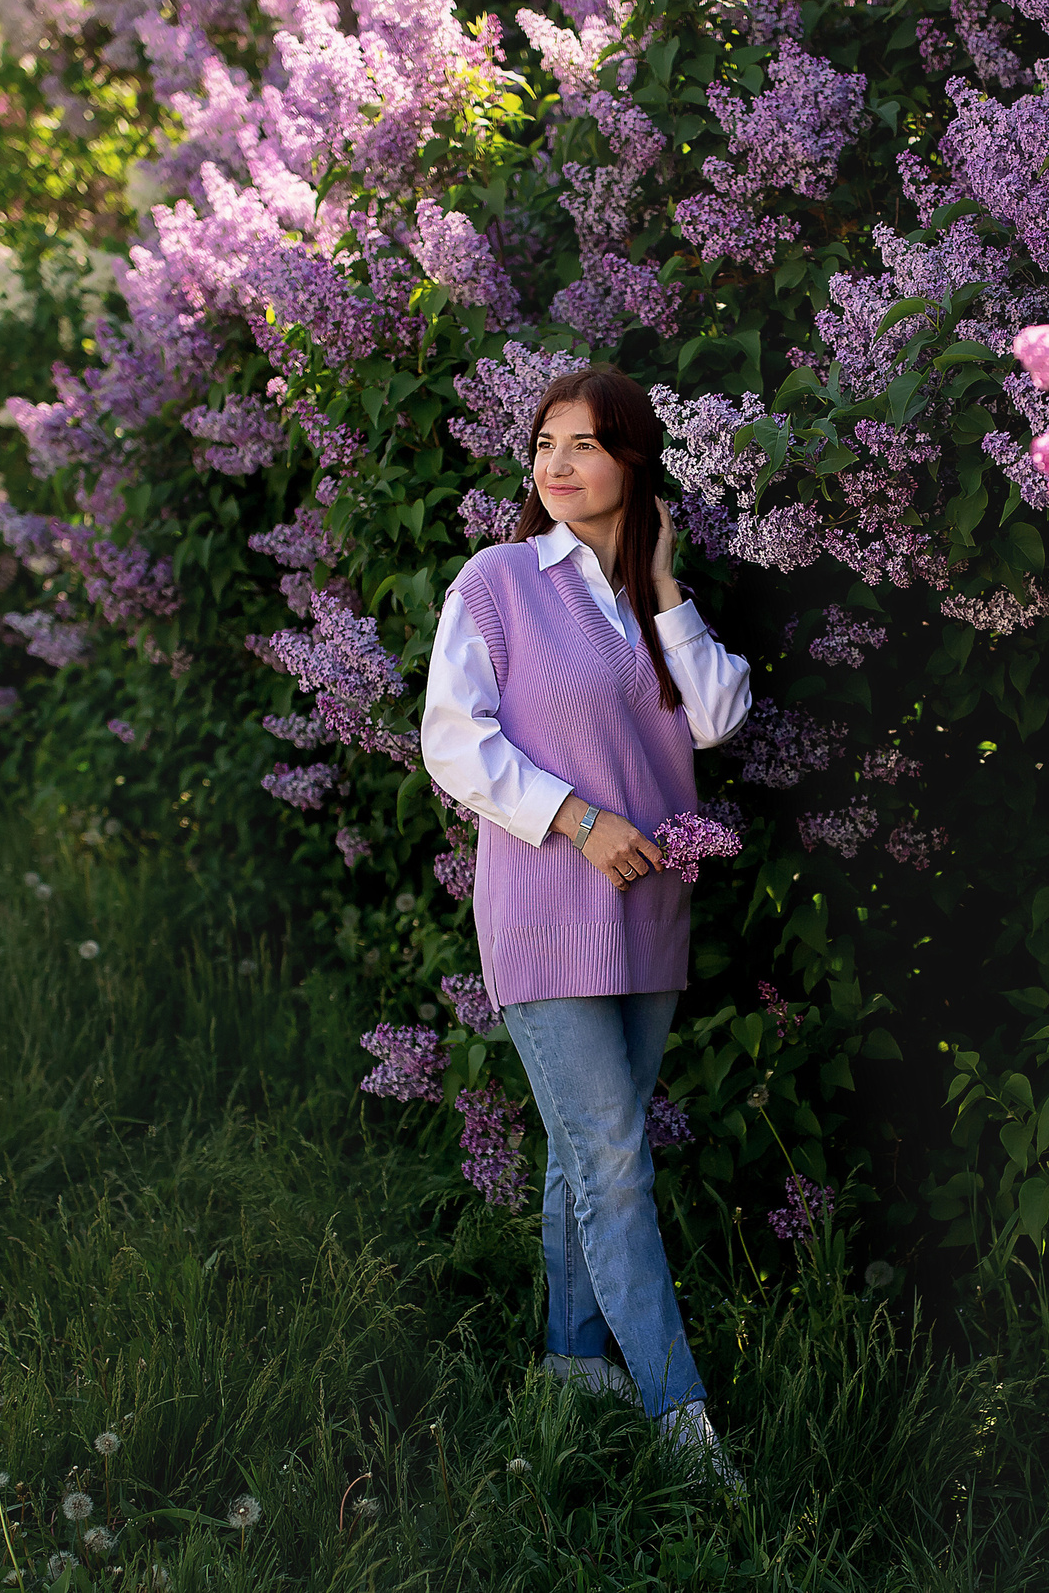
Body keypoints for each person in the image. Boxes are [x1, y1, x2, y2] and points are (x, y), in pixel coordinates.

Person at [419, 363, 752, 1487]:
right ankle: (680, 1417)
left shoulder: (651, 605)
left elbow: (717, 718)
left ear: (633, 463)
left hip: (649, 912)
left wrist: (662, 582)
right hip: (546, 910)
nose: (555, 465)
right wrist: (577, 817)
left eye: (584, 444)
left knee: (584, 1153)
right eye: (544, 444)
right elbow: (451, 739)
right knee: (614, 1162)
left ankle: (569, 1363)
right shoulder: (500, 580)